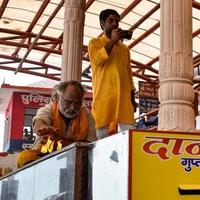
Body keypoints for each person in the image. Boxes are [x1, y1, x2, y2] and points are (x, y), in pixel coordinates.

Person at [17, 81, 97, 168]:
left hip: (75, 158)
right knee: (24, 157)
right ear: (58, 98)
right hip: (45, 156)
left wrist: (63, 145)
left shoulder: (86, 114)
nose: (72, 107)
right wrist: (43, 128)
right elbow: (39, 122)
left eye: (77, 103)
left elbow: (91, 144)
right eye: (68, 102)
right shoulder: (49, 109)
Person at [88, 9, 137, 139]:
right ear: (103, 23)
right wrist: (112, 41)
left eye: (117, 21)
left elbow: (129, 75)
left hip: (124, 99)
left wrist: (132, 99)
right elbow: (98, 60)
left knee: (130, 134)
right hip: (104, 98)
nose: (115, 24)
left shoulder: (124, 49)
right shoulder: (95, 43)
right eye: (111, 21)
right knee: (101, 135)